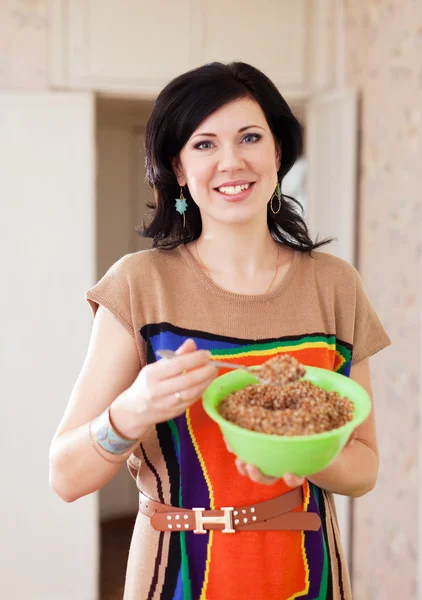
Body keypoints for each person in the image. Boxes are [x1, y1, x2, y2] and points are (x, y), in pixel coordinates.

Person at [49, 61, 391, 600]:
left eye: (250, 137)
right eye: (204, 144)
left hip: (307, 575)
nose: (231, 161)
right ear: (178, 169)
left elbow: (365, 467)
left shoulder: (334, 287)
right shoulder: (140, 284)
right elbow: (65, 477)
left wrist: (301, 449)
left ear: (278, 153)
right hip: (174, 575)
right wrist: (132, 409)